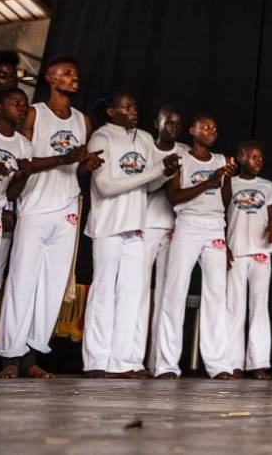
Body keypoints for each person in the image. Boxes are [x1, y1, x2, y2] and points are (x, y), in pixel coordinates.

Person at [0, 55, 102, 379]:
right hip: (34, 205)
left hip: (67, 206)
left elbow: (79, 168)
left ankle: (31, 357)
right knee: (21, 282)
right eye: (67, 73)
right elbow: (24, 161)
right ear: (50, 78)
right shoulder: (33, 113)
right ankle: (9, 358)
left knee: (52, 286)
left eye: (76, 73)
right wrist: (64, 157)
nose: (75, 78)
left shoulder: (82, 120)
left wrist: (86, 163)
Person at [83, 91, 177, 378]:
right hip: (108, 225)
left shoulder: (145, 139)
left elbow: (147, 187)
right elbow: (106, 187)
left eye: (135, 106)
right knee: (103, 293)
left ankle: (122, 361)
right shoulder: (101, 138)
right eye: (126, 107)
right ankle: (96, 361)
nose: (133, 110)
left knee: (131, 296)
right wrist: (155, 172)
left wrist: (165, 174)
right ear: (111, 112)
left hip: (135, 226)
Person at [153, 114, 237, 379]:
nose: (212, 130)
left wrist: (224, 181)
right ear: (192, 130)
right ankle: (166, 365)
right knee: (174, 291)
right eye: (206, 127)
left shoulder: (223, 161)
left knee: (216, 294)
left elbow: (225, 200)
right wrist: (209, 182)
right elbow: (173, 196)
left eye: (215, 127)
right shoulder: (182, 159)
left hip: (215, 225)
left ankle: (218, 364)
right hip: (187, 222)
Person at [136, 105, 188, 372]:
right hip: (146, 225)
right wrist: (164, 173)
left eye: (178, 124)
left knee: (169, 296)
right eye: (169, 123)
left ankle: (162, 363)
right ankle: (132, 360)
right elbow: (140, 185)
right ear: (156, 123)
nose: (174, 128)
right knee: (139, 293)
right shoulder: (145, 147)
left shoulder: (186, 152)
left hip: (176, 229)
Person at [225, 141, 272, 379]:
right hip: (235, 250)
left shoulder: (267, 185)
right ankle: (233, 362)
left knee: (259, 308)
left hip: (260, 251)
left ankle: (258, 363)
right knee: (234, 307)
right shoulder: (230, 183)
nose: (258, 160)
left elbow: (270, 216)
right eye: (253, 156)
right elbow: (222, 215)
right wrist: (223, 246)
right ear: (240, 157)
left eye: (261, 157)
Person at [0, 88, 32, 315]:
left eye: (24, 104)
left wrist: (23, 175)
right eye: (15, 103)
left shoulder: (24, 145)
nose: (22, 108)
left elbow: (13, 193)